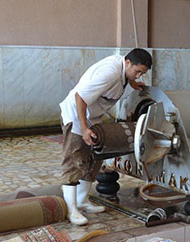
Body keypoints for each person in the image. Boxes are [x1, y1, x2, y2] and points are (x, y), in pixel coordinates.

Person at [59, 48, 152, 225]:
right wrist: (84, 128)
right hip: (77, 115)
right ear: (127, 63)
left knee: (94, 158)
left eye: (142, 73)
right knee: (74, 160)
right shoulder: (109, 72)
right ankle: (71, 209)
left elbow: (124, 80)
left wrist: (131, 83)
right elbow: (80, 97)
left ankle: (82, 201)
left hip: (92, 116)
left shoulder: (125, 72)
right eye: (137, 71)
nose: (139, 76)